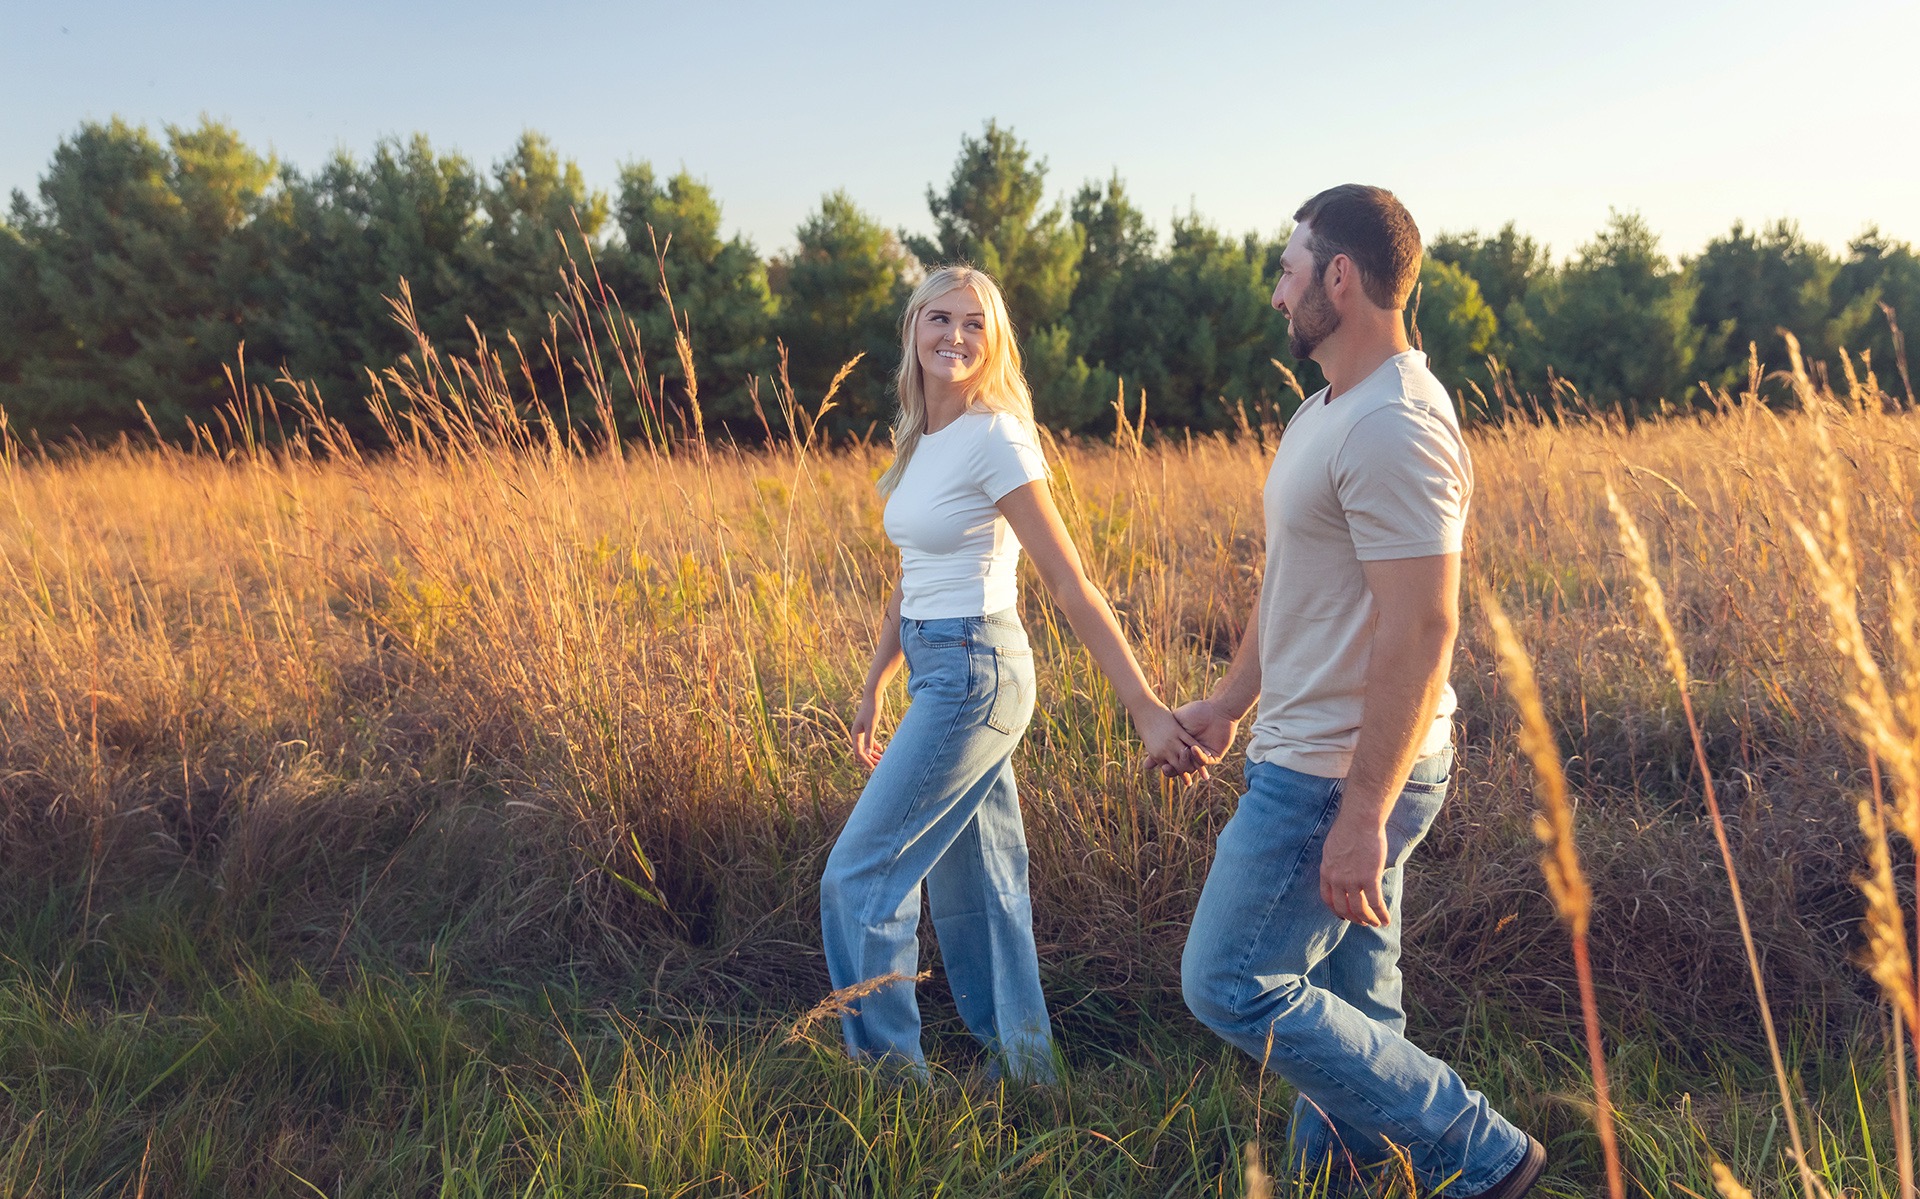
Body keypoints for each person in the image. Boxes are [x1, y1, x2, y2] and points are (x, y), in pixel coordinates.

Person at [1162, 186, 1547, 1196]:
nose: (1277, 292)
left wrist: (1364, 809)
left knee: (1230, 979)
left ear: (1340, 277)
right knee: (1355, 1003)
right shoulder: (1326, 411)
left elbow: (1424, 625)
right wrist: (1231, 699)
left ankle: (1479, 1147)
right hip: (1309, 751)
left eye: (1290, 269)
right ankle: (1351, 1182)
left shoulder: (1398, 425)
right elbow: (1299, 590)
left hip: (1337, 773)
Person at [820, 265, 1207, 1084]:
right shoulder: (921, 434)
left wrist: (1142, 703)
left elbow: (1069, 579)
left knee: (860, 876)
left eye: (973, 323)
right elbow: (910, 574)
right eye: (939, 319)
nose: (954, 336)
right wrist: (876, 678)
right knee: (983, 889)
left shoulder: (998, 435)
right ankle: (1030, 1077)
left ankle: (889, 1088)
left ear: (992, 340)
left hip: (977, 672)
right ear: (913, 329)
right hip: (937, 665)